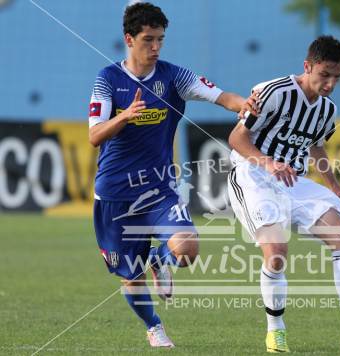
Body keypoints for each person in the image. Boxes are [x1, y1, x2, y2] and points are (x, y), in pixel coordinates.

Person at [88, 2, 255, 348]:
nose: (155, 48)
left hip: (160, 188)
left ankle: (159, 259)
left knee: (187, 248)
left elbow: (221, 96)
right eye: (148, 40)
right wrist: (125, 116)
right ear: (129, 39)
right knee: (129, 277)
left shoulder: (174, 76)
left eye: (161, 40)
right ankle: (154, 326)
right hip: (115, 192)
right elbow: (94, 136)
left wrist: (246, 105)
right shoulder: (107, 80)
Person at [227, 35, 340, 352]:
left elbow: (316, 146)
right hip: (253, 176)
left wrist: (336, 188)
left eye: (337, 77)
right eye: (325, 74)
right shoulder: (275, 92)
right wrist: (269, 162)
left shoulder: (327, 110)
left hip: (292, 181)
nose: (330, 83)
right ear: (307, 66)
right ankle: (276, 329)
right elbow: (236, 137)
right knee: (276, 252)